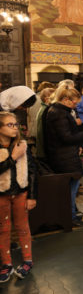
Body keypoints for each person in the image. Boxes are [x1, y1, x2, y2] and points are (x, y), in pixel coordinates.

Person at [43, 88, 83, 227]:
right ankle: (70, 217)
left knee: (69, 188)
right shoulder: (59, 114)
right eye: (74, 103)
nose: (76, 105)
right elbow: (66, 137)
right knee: (70, 189)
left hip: (64, 155)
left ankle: (71, 214)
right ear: (66, 100)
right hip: (64, 157)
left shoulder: (57, 111)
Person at [0, 112, 37, 282]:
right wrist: (14, 156)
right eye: (10, 125)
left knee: (23, 227)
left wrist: (32, 196)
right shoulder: (14, 149)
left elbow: (32, 171)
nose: (15, 128)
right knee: (3, 229)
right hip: (2, 195)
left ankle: (28, 261)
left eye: (16, 124)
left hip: (21, 193)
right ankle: (6, 264)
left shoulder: (22, 145)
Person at [35, 88, 55, 161]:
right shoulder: (45, 111)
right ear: (47, 99)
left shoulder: (44, 109)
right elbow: (41, 133)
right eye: (54, 97)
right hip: (45, 152)